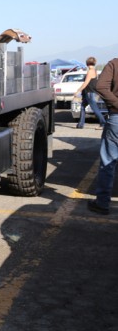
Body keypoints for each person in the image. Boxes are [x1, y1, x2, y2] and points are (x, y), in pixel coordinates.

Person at [89, 57, 118, 215]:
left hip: (116, 119)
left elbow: (100, 86)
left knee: (108, 162)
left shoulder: (114, 64)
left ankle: (102, 203)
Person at [75, 57, 105, 129]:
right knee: (82, 107)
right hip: (89, 92)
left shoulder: (90, 71)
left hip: (89, 93)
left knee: (95, 109)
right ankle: (81, 124)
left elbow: (86, 83)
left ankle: (103, 123)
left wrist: (78, 91)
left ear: (87, 63)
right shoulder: (95, 70)